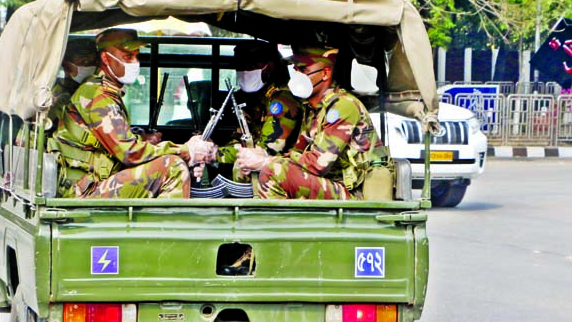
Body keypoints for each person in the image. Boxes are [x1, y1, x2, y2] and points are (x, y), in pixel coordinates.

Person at [49, 28, 214, 199]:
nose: (135, 62)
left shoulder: (104, 91)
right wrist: (187, 150)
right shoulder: (98, 94)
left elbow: (120, 143)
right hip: (83, 191)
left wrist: (141, 138)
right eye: (128, 56)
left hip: (92, 184)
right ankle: (166, 225)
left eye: (137, 56)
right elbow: (130, 153)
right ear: (106, 58)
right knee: (172, 166)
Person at [234, 46, 388, 199]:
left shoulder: (343, 106)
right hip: (327, 183)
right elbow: (299, 153)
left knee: (272, 171)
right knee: (248, 168)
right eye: (296, 70)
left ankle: (277, 222)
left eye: (304, 70)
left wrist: (266, 161)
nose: (297, 76)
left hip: (351, 191)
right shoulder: (312, 108)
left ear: (325, 73)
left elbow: (317, 164)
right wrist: (262, 157)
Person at [215, 40, 303, 180]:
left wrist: (214, 154)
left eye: (252, 66)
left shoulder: (282, 101)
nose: (245, 71)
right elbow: (238, 137)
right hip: (261, 163)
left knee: (243, 166)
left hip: (281, 168)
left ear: (269, 68)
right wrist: (226, 150)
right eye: (241, 66)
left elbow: (267, 150)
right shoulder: (253, 100)